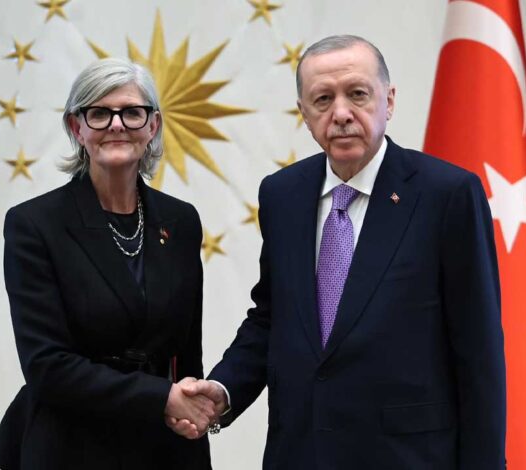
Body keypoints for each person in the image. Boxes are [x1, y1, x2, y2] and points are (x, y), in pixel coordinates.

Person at [177, 35, 506, 469]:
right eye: (323, 99)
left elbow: (479, 350)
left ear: (389, 101)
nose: (342, 113)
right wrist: (223, 389)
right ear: (304, 113)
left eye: (357, 94)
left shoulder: (447, 194)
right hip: (301, 454)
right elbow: (273, 317)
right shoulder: (282, 194)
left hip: (407, 457)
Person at [0, 58, 215, 470]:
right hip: (69, 446)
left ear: (153, 126)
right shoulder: (34, 225)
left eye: (132, 112)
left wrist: (193, 425)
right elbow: (46, 366)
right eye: (99, 113)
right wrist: (161, 398)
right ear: (77, 128)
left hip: (162, 447)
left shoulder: (180, 221)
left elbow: (186, 355)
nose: (116, 125)